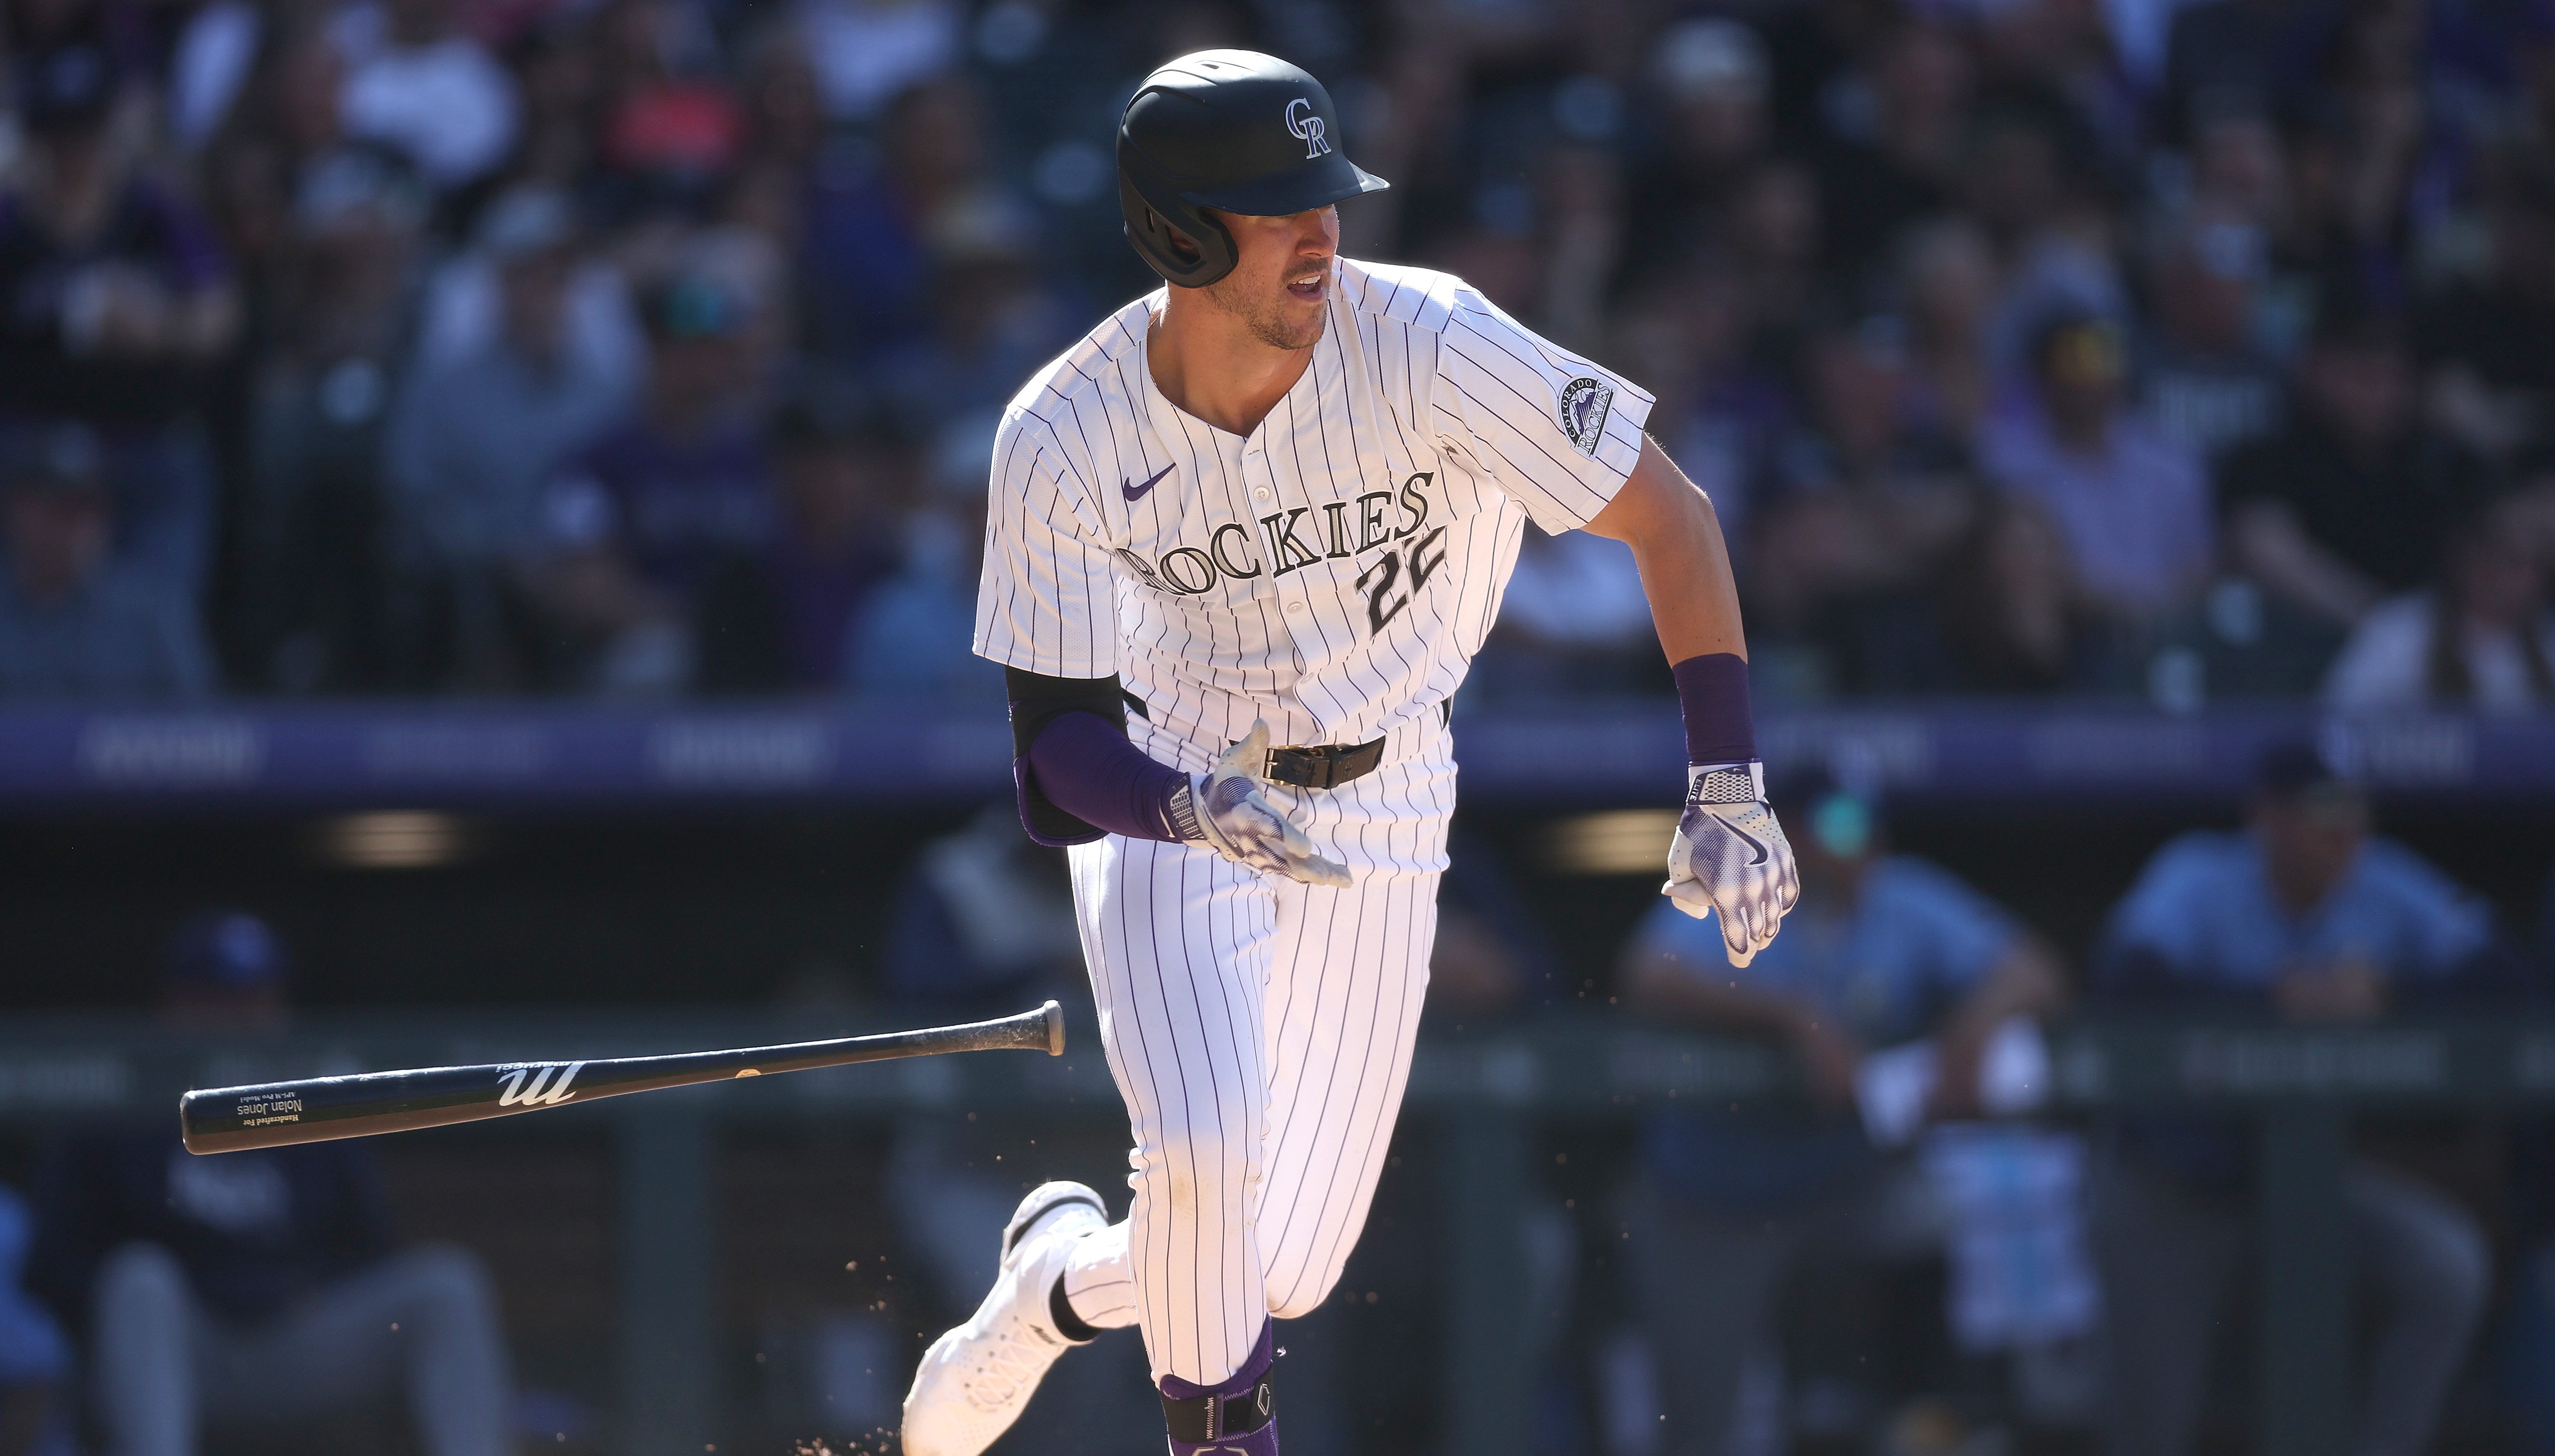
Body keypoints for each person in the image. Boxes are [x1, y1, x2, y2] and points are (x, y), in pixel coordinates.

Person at [898, 50, 1800, 1456]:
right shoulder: (1061, 429)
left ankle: (1054, 1282)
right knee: (1200, 1155)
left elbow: (1668, 517)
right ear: (1181, 231)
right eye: (1279, 207)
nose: (1323, 229)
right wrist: (1186, 806)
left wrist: (1728, 778)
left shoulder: (1433, 340)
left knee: (1277, 1265)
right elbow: (1054, 749)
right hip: (1174, 788)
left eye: (1327, 197)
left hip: (1385, 796)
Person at [1622, 770, 2065, 1455]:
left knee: (1947, 1216)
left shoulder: (1902, 895)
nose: (1863, 845)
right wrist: (1790, 1016)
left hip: (1842, 1187)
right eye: (1840, 827)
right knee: (1699, 1420)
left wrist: (1973, 1028)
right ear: (1789, 834)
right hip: (1713, 1199)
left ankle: (1951, 1416)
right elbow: (1651, 973)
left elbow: (2034, 970)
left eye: (1867, 824)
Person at [2089, 741, 2498, 1456]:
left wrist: (2387, 995)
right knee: (2150, 1423)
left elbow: (2500, 975)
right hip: (2179, 1181)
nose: (2343, 840)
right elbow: (2124, 985)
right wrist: (2273, 1000)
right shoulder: (2198, 873)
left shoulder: (2382, 879)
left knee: (2446, 1270)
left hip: (2313, 1173)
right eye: (2321, 819)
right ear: (2265, 818)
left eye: (2353, 819)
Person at [26, 911, 516, 1456]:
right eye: (219, 998)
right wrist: (200, 1278)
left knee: (447, 1283)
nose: (242, 1016)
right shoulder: (122, 1096)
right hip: (183, 1346)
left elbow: (371, 1246)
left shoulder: (317, 1099)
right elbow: (55, 1266)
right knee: (141, 1279)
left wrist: (302, 1283)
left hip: (296, 1342)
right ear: (176, 1003)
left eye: (256, 997)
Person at [1982, 312, 2214, 624]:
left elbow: (2199, 571)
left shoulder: (2171, 462)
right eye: (2073, 366)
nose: (2088, 383)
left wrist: (2155, 611)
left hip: (2168, 629)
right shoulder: (2007, 458)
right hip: (2068, 633)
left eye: (2101, 364)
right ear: (2043, 376)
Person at [0, 422, 213, 700]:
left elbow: (200, 727)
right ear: (15, 510)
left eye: (88, 508)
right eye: (59, 508)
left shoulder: (149, 613)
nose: (75, 527)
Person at [2323, 493, 2555, 710]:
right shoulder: (2401, 632)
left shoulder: (2547, 641)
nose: (2528, 578)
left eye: (2536, 565)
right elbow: (2338, 721)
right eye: (2514, 562)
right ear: (2471, 558)